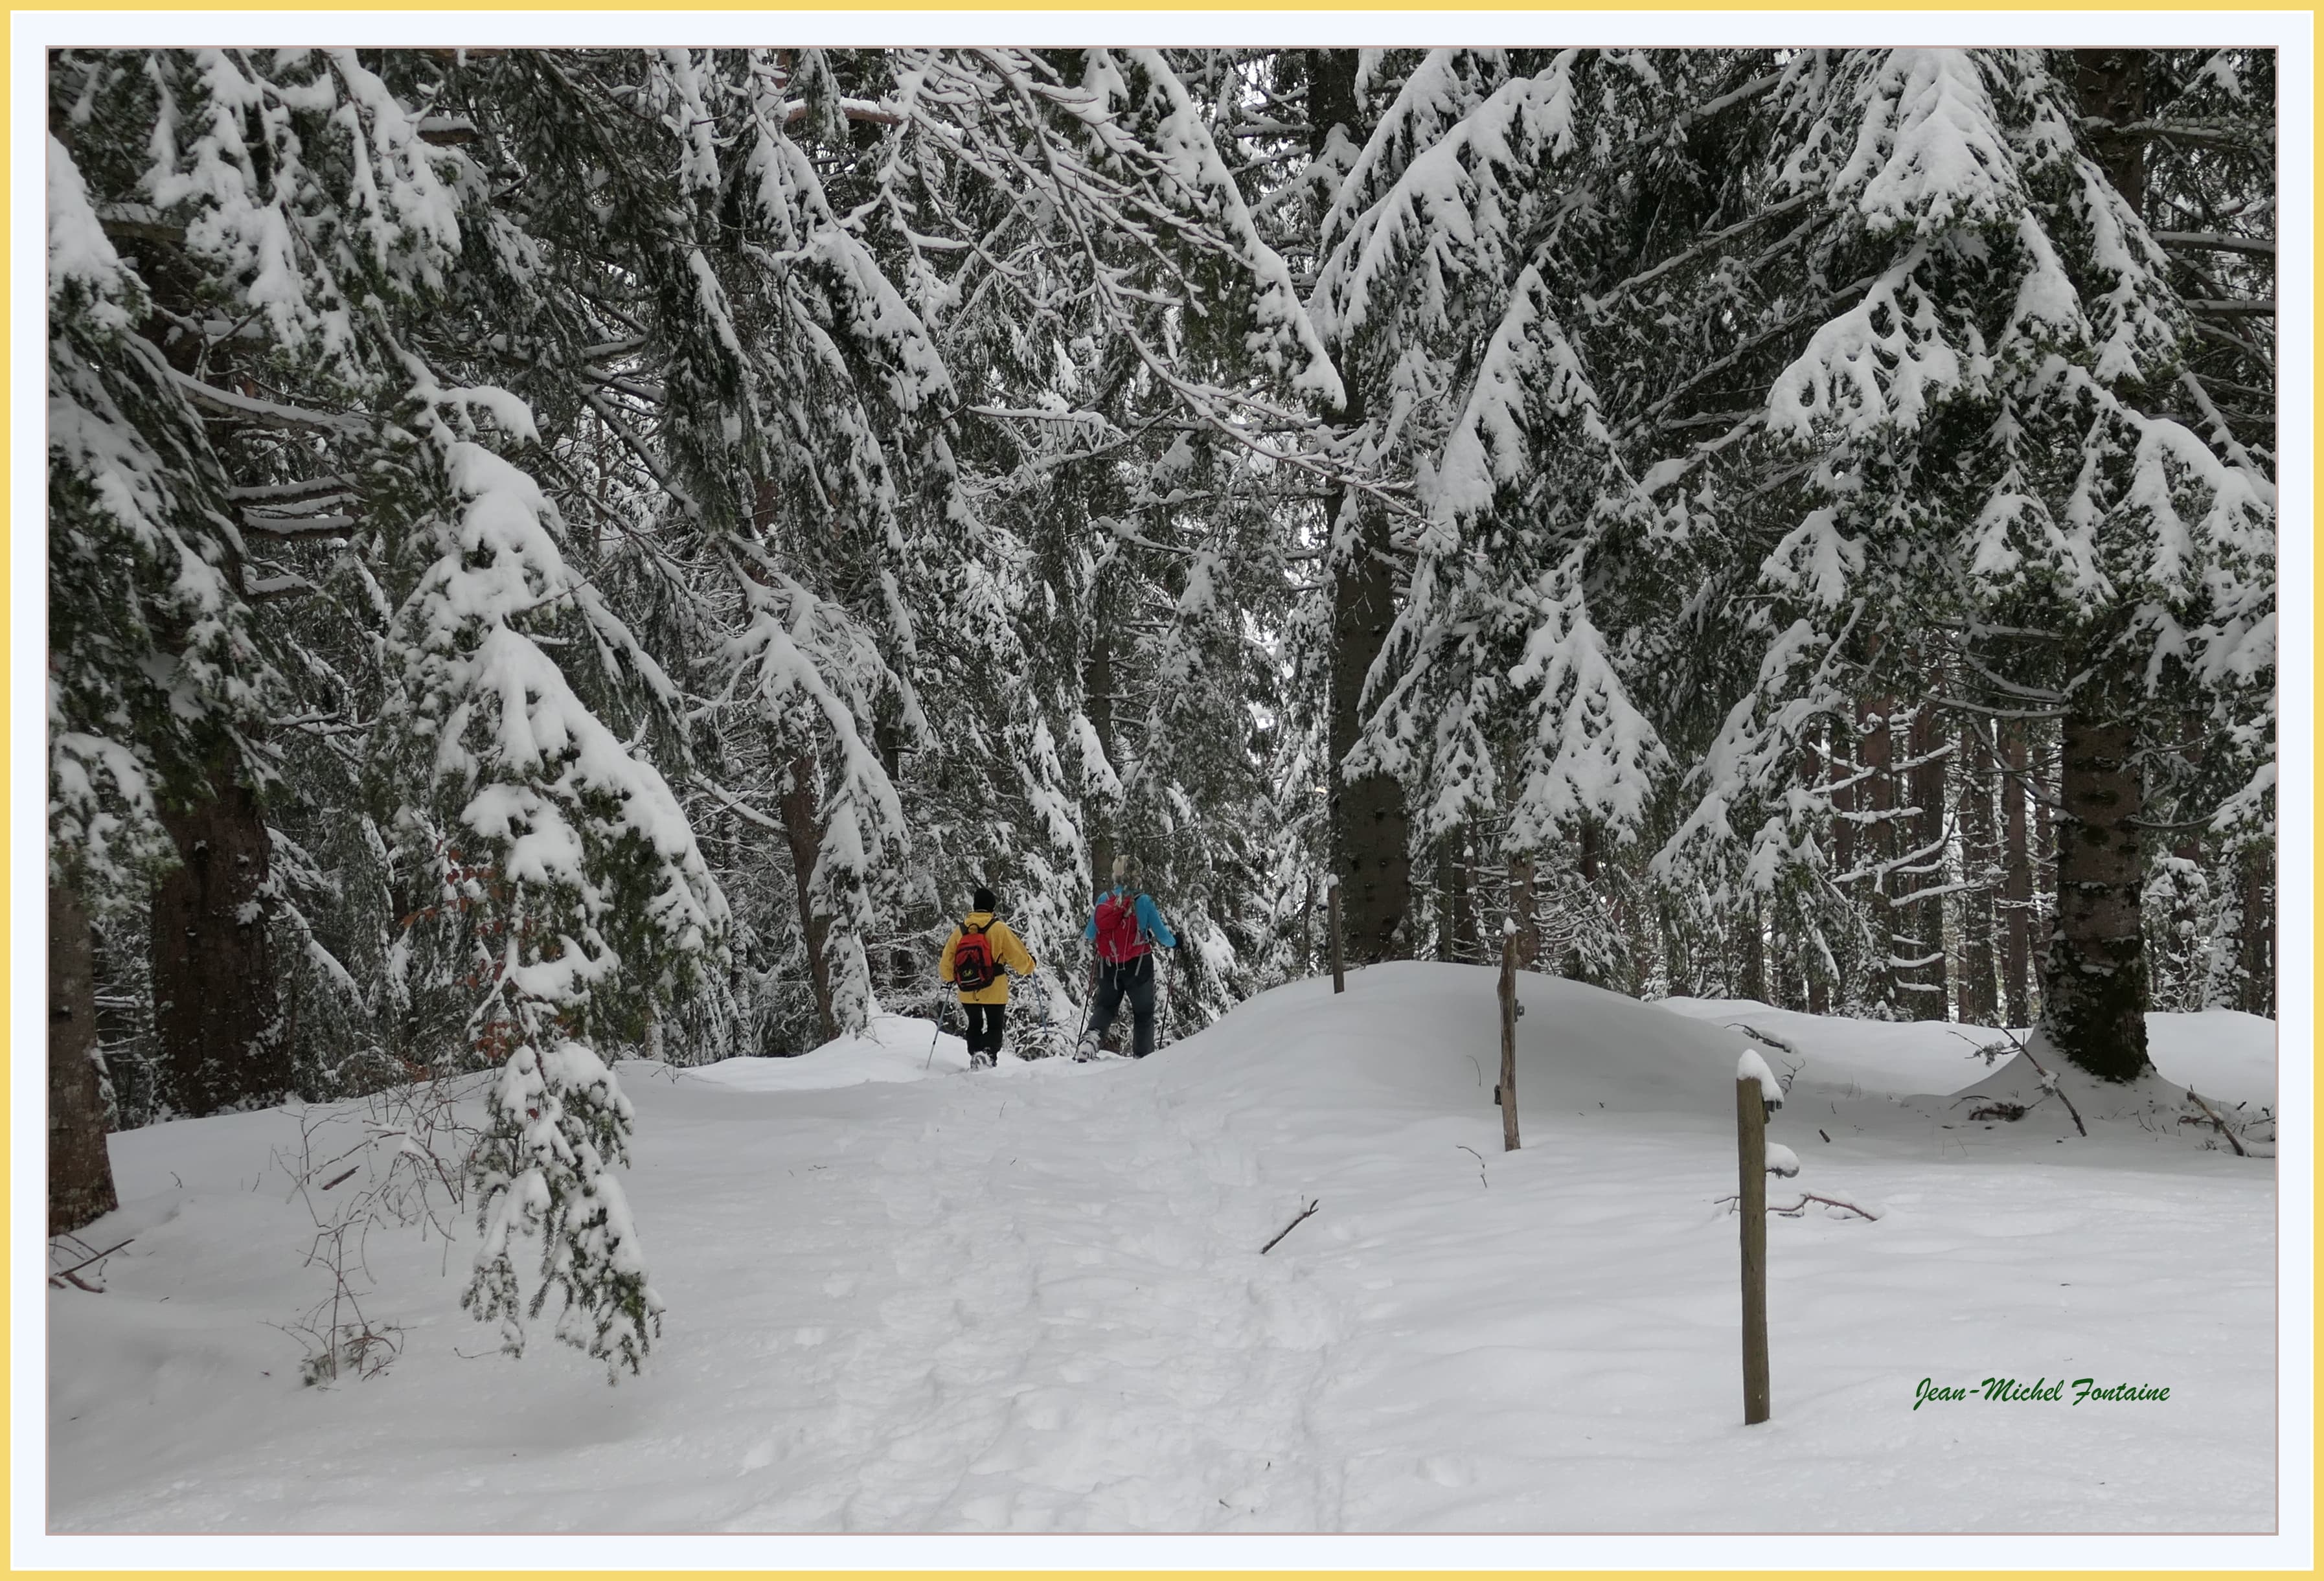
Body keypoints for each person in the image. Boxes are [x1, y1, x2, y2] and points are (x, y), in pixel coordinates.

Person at [1077, 854, 1178, 1061]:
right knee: (1143, 1013)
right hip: (1138, 965)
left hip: (1108, 965)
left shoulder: (1105, 899)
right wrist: (1177, 942)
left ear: (1116, 875)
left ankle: (1089, 1042)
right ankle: (1143, 1058)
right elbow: (1163, 935)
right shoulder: (1144, 901)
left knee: (1105, 1007)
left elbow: (1089, 934)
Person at [939, 887, 1038, 1070]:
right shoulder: (998, 928)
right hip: (995, 987)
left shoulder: (960, 930)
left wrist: (948, 977)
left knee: (974, 1024)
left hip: (968, 988)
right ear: (992, 908)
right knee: (994, 1026)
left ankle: (976, 1054)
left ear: (974, 906)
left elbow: (947, 959)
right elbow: (1018, 956)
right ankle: (988, 1055)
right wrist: (1030, 965)